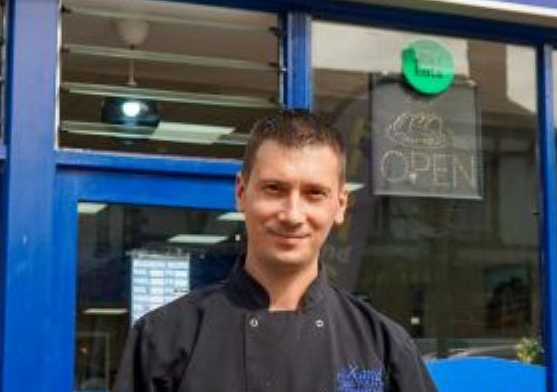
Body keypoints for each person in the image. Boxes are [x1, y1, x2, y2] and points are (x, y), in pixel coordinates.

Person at [112, 110, 438, 392]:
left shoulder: (385, 347)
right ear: (241, 193)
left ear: (340, 205)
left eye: (314, 193)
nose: (293, 215)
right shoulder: (164, 338)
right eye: (274, 189)